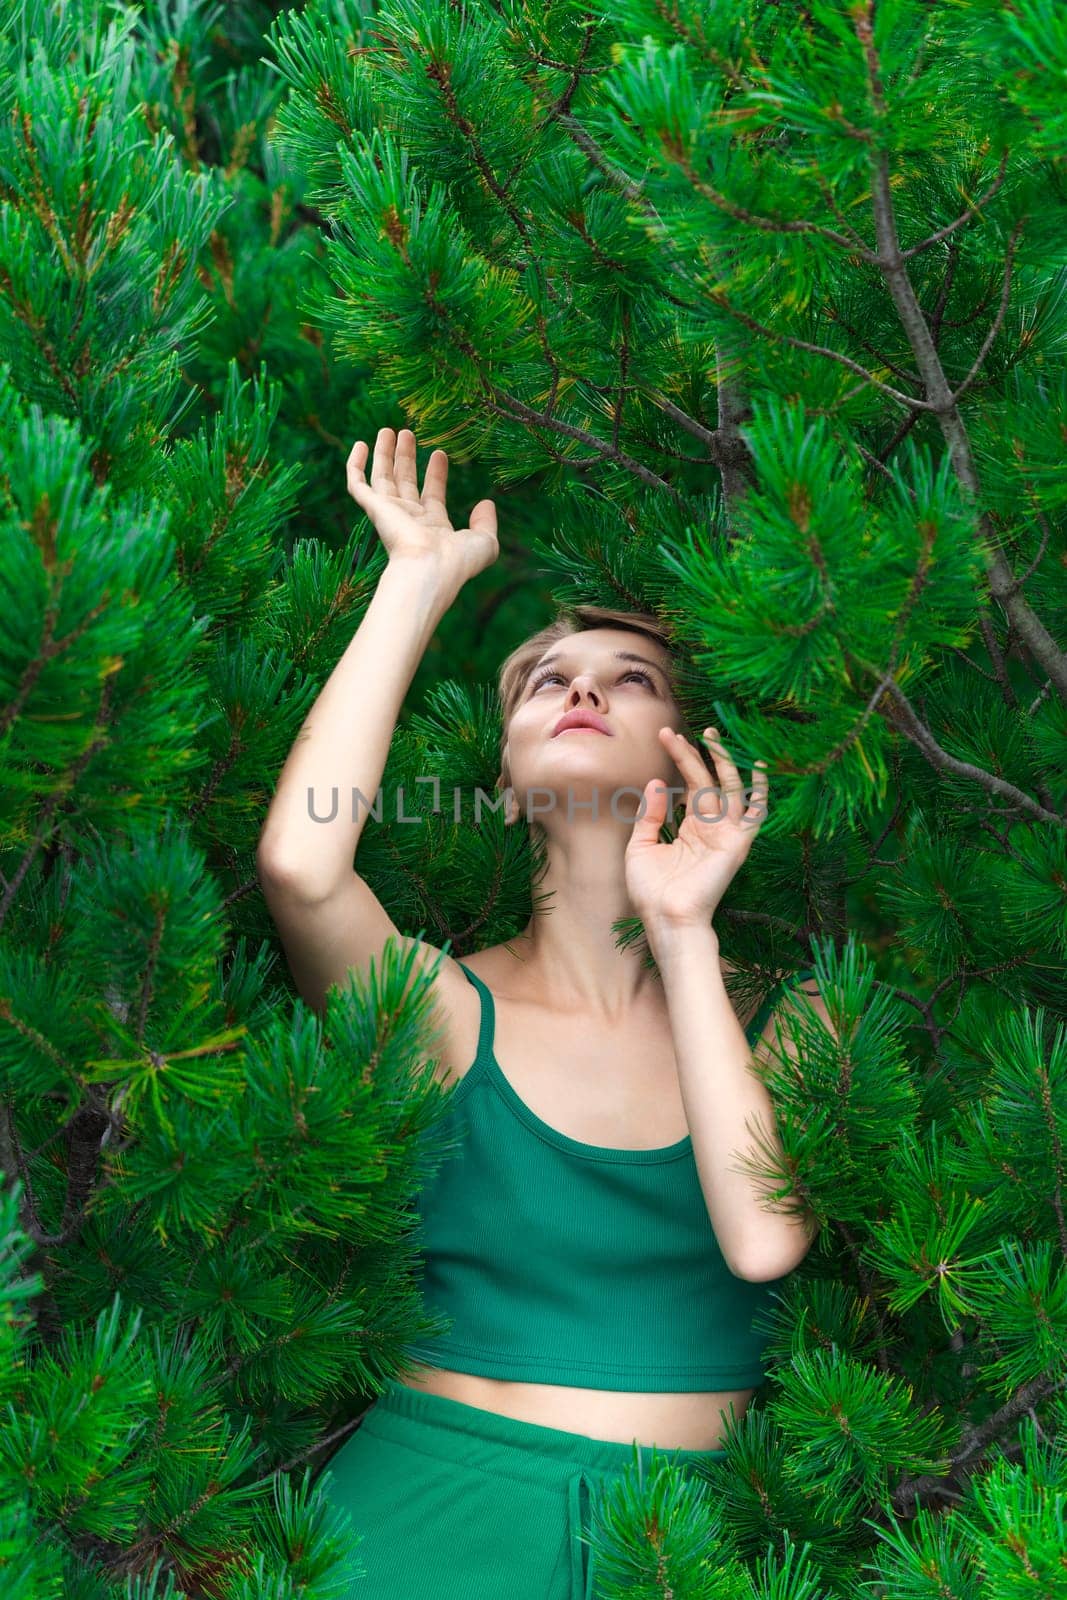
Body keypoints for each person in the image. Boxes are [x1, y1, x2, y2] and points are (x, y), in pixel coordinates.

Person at [256, 427, 828, 1598]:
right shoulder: (437, 1008)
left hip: (685, 1546)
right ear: (508, 782)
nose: (579, 688)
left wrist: (681, 934)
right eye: (542, 681)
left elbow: (763, 1239)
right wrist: (413, 579)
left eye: (631, 679)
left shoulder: (799, 1015)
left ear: (690, 757)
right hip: (428, 1523)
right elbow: (304, 870)